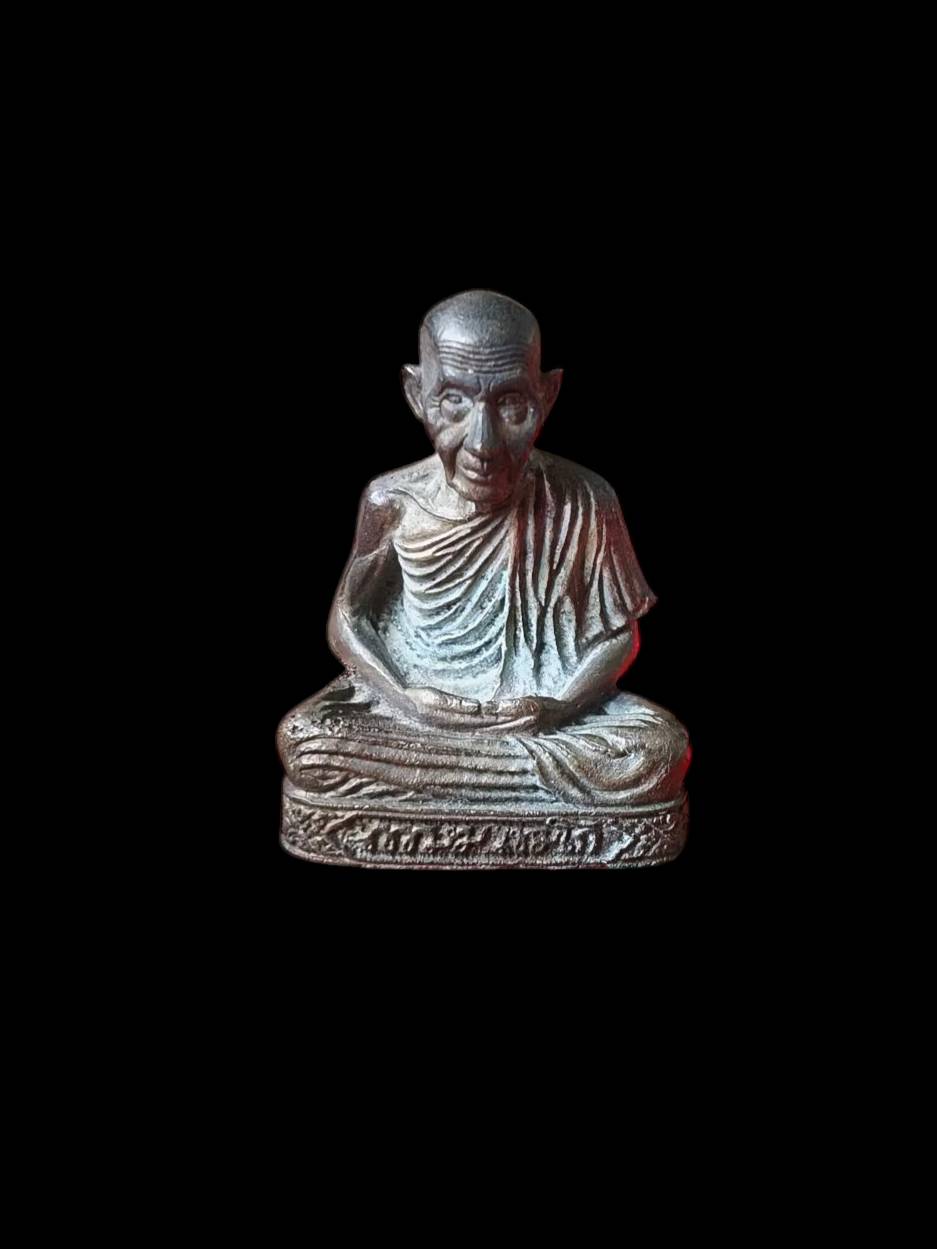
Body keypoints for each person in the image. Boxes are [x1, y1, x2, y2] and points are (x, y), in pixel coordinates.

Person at [277, 290, 689, 809]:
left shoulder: (585, 499)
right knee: (307, 740)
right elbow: (347, 619)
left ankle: (442, 781)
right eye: (454, 401)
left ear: (548, 395)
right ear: (416, 394)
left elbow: (618, 637)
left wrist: (559, 706)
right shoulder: (392, 502)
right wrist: (407, 699)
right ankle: (506, 783)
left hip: (543, 718)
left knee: (656, 752)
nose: (483, 443)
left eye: (512, 404)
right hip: (419, 710)